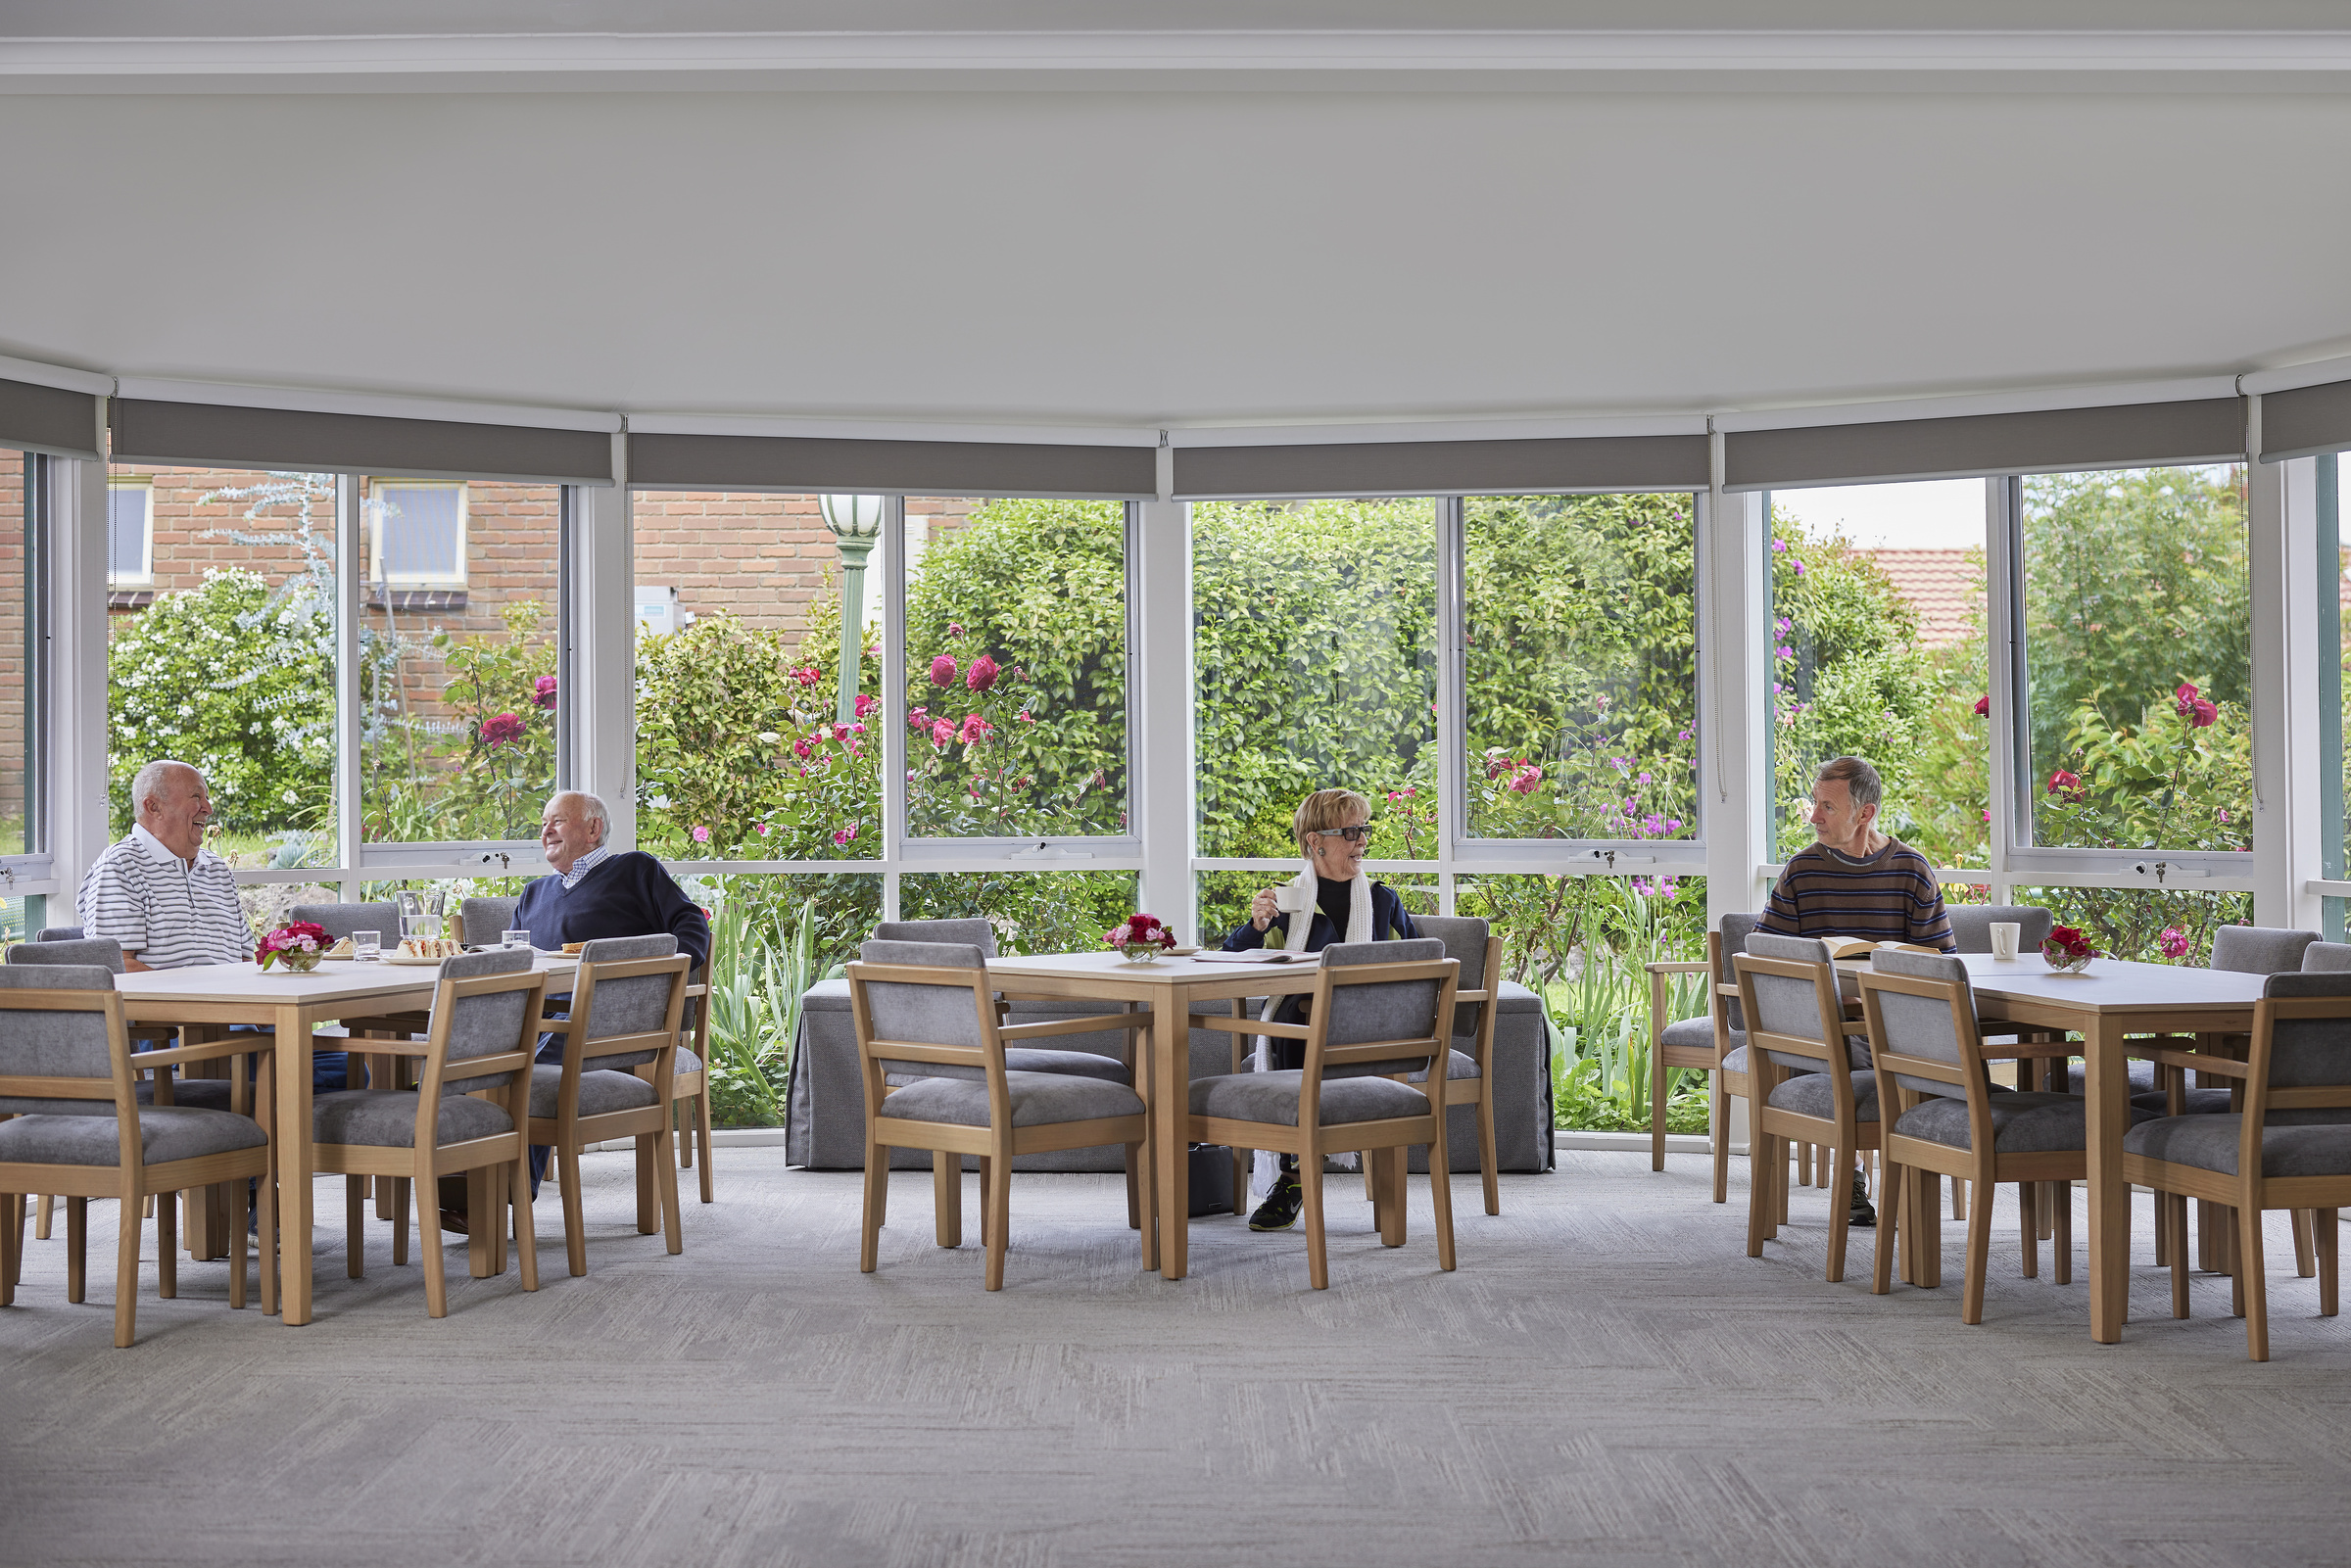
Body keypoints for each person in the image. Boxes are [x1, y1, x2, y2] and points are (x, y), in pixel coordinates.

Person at [1756, 755, 1955, 1226]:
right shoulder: (1802, 871)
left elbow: (1942, 962)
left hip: (1896, 1020)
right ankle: (1856, 1170)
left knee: (1889, 1043)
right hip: (1821, 1024)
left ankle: (1901, 1172)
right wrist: (1832, 997)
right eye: (1815, 804)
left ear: (1865, 813)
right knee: (1853, 1041)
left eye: (1828, 806)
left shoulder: (1912, 871)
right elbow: (1767, 958)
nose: (1814, 816)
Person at [497, 790, 711, 1222]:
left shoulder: (635, 870)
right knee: (478, 1055)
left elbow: (692, 928)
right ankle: (468, 1181)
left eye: (557, 820)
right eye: (543, 823)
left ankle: (502, 1194)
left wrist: (652, 979)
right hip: (539, 1021)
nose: (546, 830)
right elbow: (513, 963)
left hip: (613, 1024)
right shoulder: (533, 894)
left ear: (593, 828)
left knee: (526, 1069)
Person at [77, 758, 349, 1091]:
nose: (207, 807)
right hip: (167, 1031)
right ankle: (263, 1137)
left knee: (348, 1067)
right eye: (196, 797)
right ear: (153, 806)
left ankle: (268, 1138)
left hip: (239, 1023)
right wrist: (206, 999)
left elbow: (244, 959)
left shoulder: (216, 870)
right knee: (296, 1072)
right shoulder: (120, 866)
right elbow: (117, 968)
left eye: (206, 797)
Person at [1221, 786, 1420, 1233]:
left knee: (1299, 1019)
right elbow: (1231, 958)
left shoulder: (1382, 901)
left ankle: (1292, 1176)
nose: (1362, 840)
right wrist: (1256, 927)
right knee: (1295, 1015)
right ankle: (1295, 1173)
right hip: (1300, 1023)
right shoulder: (1286, 902)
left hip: (1365, 1028)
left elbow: (1417, 964)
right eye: (1352, 831)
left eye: (1365, 829)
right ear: (1317, 841)